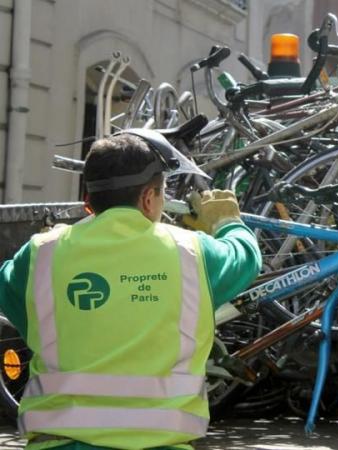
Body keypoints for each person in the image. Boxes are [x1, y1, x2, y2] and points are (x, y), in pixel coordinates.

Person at [0, 130, 262, 450]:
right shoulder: (194, 253)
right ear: (149, 198)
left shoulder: (41, 254)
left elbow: (22, 311)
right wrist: (226, 221)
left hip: (59, 443)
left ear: (87, 202)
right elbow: (247, 258)